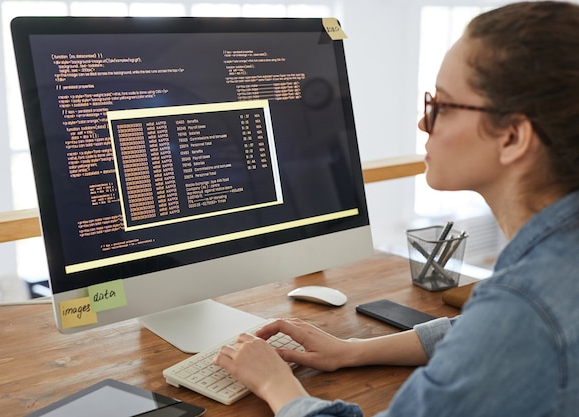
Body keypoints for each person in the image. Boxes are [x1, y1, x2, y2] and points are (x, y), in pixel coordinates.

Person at [213, 1, 579, 416]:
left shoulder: (524, 308)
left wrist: (278, 387)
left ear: (512, 137)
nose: (424, 123)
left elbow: (510, 326)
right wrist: (350, 350)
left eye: (442, 105)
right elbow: (483, 333)